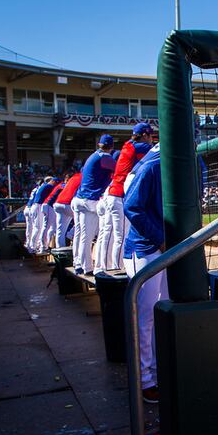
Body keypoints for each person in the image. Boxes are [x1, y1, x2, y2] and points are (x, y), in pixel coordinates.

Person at [123, 144, 167, 404]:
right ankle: (144, 381)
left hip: (167, 246)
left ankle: (159, 372)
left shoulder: (192, 162)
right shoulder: (152, 165)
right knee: (145, 316)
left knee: (162, 311)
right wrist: (160, 239)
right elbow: (133, 208)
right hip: (145, 249)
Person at [105, 123, 154, 271]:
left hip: (112, 193)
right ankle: (117, 268)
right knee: (121, 235)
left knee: (109, 234)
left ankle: (106, 266)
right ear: (144, 135)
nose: (152, 139)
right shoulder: (137, 146)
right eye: (150, 136)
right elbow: (157, 149)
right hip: (119, 194)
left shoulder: (128, 145)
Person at [71, 134, 116, 275]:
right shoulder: (105, 157)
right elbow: (120, 170)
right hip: (89, 201)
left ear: (99, 145)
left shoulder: (93, 156)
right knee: (87, 236)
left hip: (78, 199)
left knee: (80, 235)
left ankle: (78, 263)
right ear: (112, 147)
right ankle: (87, 268)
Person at [54, 170, 81, 249]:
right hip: (68, 203)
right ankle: (71, 234)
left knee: (60, 230)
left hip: (58, 203)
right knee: (83, 221)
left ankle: (60, 250)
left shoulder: (73, 178)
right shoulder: (84, 177)